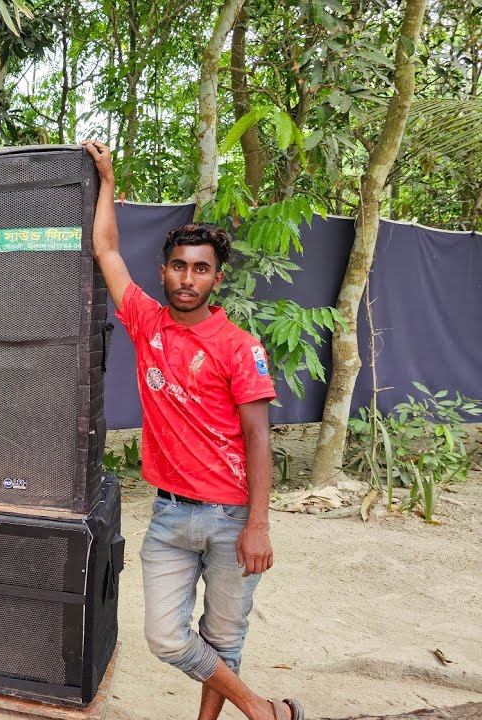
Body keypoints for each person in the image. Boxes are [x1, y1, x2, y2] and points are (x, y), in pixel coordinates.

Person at [83, 140, 303, 720]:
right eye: (179, 266)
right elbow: (106, 249)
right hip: (170, 515)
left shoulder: (239, 347)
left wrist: (258, 526)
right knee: (166, 637)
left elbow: (259, 439)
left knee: (224, 639)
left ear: (216, 279)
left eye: (200, 269)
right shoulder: (146, 322)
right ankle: (261, 708)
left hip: (232, 516)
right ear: (164, 271)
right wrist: (108, 179)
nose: (187, 278)